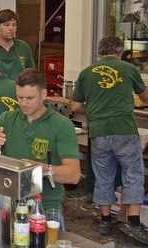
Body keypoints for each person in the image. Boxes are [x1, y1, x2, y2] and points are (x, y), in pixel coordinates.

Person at [71, 36, 148, 243]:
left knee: (103, 174)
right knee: (133, 172)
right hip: (124, 129)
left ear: (100, 52)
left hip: (98, 131)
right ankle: (133, 223)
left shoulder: (86, 73)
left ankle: (105, 220)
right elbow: (145, 97)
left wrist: (96, 110)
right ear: (120, 51)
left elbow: (76, 107)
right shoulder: (128, 69)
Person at [0, 68, 80, 225]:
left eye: (29, 98)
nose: (23, 103)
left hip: (45, 210)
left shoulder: (61, 125)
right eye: (19, 97)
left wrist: (40, 169)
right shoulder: (6, 120)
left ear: (43, 94)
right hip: (8, 204)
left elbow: (73, 175)